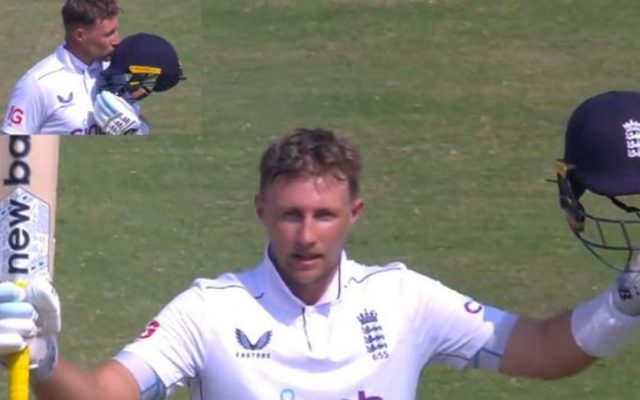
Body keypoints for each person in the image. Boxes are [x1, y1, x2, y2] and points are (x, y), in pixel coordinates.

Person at [3, 118, 640, 399]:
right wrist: (45, 363)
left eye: (324, 215)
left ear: (354, 215)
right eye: (291, 214)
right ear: (261, 211)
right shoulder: (209, 311)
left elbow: (546, 351)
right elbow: (106, 395)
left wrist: (622, 303)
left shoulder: (403, 300)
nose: (306, 235)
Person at [1, 0, 121, 135]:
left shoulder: (114, 70)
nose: (117, 41)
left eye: (116, 31)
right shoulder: (37, 84)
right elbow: (9, 148)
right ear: (80, 35)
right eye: (109, 34)